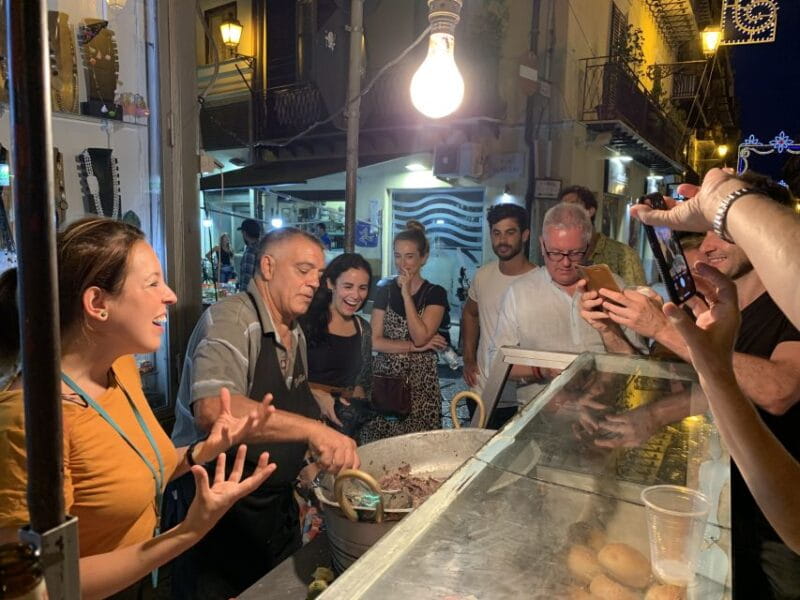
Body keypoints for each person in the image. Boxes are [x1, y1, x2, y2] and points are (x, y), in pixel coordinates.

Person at [0, 218, 275, 600]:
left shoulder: (120, 368)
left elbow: (135, 470)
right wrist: (188, 533)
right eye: (152, 283)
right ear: (98, 303)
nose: (171, 295)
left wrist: (204, 449)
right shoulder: (30, 422)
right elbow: (40, 585)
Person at [628, 169, 800, 598]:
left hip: (779, 520)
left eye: (720, 230)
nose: (706, 246)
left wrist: (666, 330)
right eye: (703, 233)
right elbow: (704, 384)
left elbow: (780, 390)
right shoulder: (719, 304)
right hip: (724, 494)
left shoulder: (785, 309)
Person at [170, 227, 359, 598]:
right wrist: (313, 431)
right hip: (217, 517)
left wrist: (307, 469)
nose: (314, 284)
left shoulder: (294, 331)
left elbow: (285, 412)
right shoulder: (233, 318)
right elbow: (214, 410)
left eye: (318, 275)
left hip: (272, 512)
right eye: (303, 270)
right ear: (268, 266)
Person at [488, 203, 643, 428]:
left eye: (574, 253)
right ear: (542, 245)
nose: (566, 262)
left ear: (589, 247)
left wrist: (609, 329)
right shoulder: (519, 292)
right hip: (538, 422)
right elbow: (498, 360)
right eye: (555, 253)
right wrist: (542, 370)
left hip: (605, 419)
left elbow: (639, 361)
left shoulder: (613, 287)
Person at [359, 221, 448, 444]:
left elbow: (420, 335)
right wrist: (414, 348)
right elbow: (374, 342)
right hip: (384, 382)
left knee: (419, 447)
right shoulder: (384, 290)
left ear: (423, 258)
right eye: (397, 256)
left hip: (420, 386)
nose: (402, 263)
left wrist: (407, 295)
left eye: (409, 256)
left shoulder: (435, 293)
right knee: (380, 446)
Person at [461, 203, 536, 413]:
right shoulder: (483, 275)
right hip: (481, 391)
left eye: (510, 233)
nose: (502, 240)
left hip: (521, 397)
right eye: (496, 233)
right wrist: (468, 358)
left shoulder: (540, 282)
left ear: (525, 235)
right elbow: (469, 313)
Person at [299, 253, 374, 439]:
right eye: (348, 286)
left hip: (342, 428)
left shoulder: (363, 329)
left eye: (362, 288)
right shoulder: (304, 321)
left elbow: (363, 383)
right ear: (331, 284)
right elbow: (282, 378)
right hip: (303, 421)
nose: (356, 295)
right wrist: (315, 394)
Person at [558, 185, 646, 286]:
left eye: (573, 206)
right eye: (562, 208)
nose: (566, 213)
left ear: (590, 211)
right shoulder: (557, 253)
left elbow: (641, 296)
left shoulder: (624, 255)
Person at [237, 218, 262, 291]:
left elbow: (247, 281)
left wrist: (242, 299)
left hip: (251, 298)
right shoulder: (264, 247)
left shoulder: (251, 251)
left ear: (244, 233)